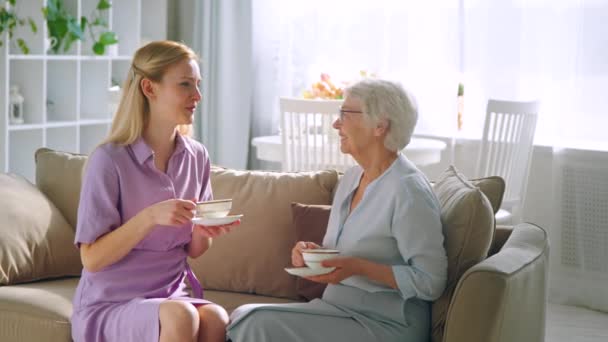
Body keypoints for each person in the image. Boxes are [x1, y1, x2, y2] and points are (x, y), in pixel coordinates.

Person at [227, 79, 448, 342]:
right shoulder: (352, 178)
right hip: (337, 309)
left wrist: (358, 267)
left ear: (380, 126)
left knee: (254, 323)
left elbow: (431, 281)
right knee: (245, 315)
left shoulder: (408, 190)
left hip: (385, 323)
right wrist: (315, 255)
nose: (336, 124)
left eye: (346, 114)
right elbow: (347, 255)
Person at [71, 40, 239, 342]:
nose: (197, 96)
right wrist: (149, 217)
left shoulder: (197, 156)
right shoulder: (109, 160)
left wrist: (206, 231)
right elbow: (91, 259)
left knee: (216, 318)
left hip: (171, 293)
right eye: (185, 85)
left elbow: (195, 251)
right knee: (181, 314)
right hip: (112, 302)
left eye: (198, 85)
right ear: (150, 89)